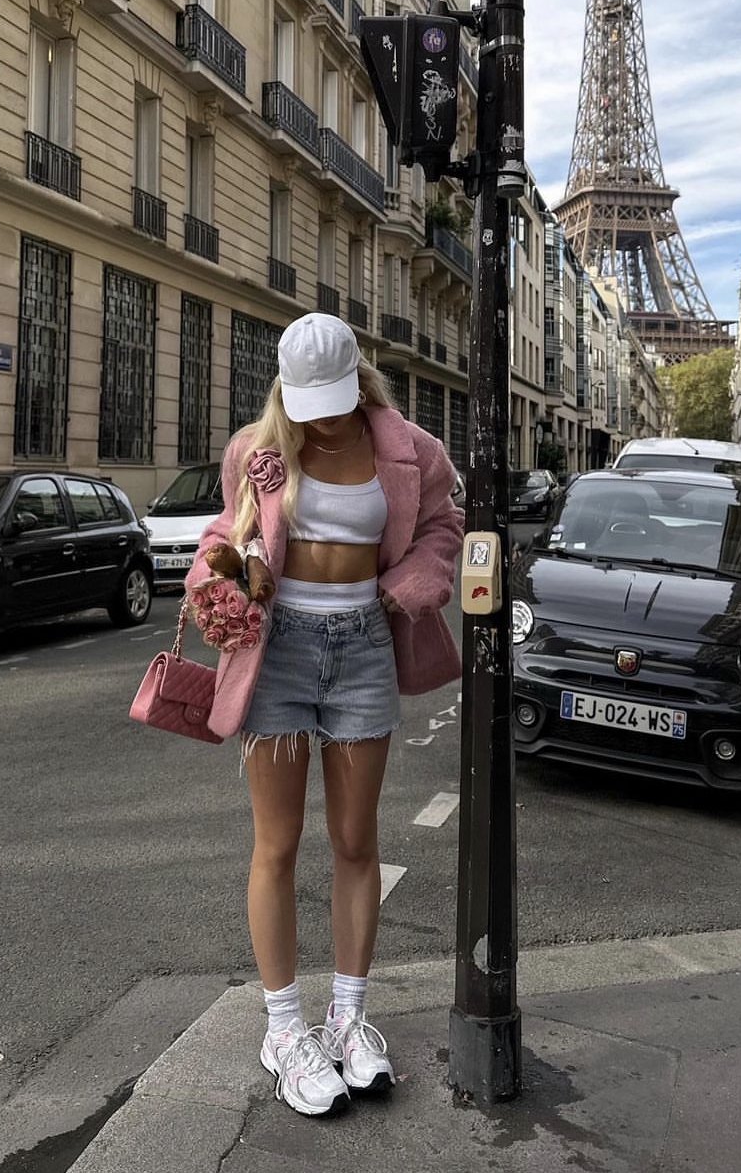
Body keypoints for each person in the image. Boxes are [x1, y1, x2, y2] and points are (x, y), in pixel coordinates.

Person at [185, 312, 463, 1118]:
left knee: (355, 840)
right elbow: (224, 532)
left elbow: (442, 530)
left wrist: (409, 586)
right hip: (279, 649)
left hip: (365, 645)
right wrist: (216, 572)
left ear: (361, 380)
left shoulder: (410, 450)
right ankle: (283, 1029)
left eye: (337, 399)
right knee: (277, 843)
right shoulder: (257, 449)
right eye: (310, 403)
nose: (326, 417)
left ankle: (348, 1018)